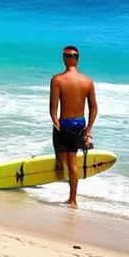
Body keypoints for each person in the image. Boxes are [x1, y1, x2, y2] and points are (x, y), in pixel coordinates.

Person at [49, 45, 98, 208]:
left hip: (65, 124)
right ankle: (72, 199)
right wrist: (88, 129)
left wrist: (54, 119)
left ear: (64, 59)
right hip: (80, 123)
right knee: (73, 162)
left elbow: (53, 107)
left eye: (67, 56)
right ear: (78, 59)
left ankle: (58, 167)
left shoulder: (57, 79)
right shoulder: (87, 81)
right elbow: (94, 107)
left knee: (63, 159)